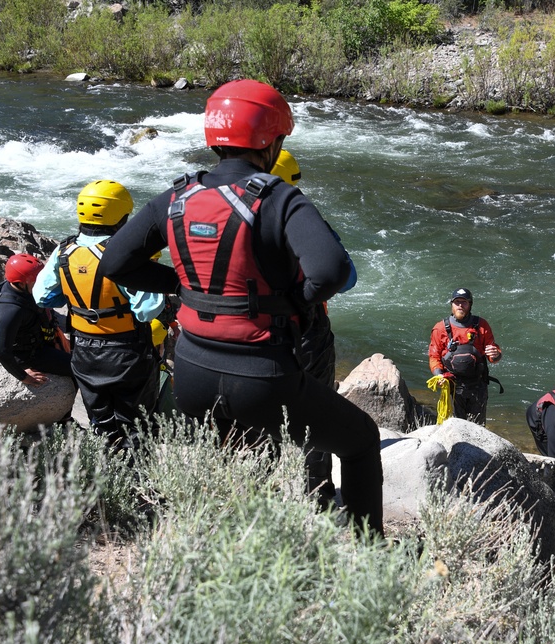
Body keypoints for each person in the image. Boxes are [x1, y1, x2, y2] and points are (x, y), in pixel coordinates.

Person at [96, 79, 383, 536]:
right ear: (270, 140)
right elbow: (329, 271)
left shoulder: (177, 196)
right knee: (362, 440)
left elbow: (114, 261)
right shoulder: (279, 197)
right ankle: (373, 561)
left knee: (233, 460)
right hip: (262, 376)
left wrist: (183, 284)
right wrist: (295, 302)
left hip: (191, 372)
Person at [34, 180, 165, 449]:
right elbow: (148, 309)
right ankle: (134, 480)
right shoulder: (127, 256)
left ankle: (108, 471)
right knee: (137, 425)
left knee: (102, 424)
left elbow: (42, 296)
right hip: (127, 352)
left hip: (83, 351)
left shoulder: (63, 252)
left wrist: (81, 302)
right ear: (123, 217)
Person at [272, 147, 358, 509]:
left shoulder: (228, 215)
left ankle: (258, 483)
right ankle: (317, 493)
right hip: (306, 331)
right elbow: (347, 278)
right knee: (315, 410)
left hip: (248, 328)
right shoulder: (306, 221)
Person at [0, 253, 72, 386]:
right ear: (21, 283)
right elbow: (1, 351)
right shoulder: (11, 311)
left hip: (40, 340)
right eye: (36, 280)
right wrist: (23, 376)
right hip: (30, 355)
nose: (41, 283)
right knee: (81, 368)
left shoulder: (21, 290)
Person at [428, 288, 502, 425]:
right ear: (452, 304)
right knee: (454, 425)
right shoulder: (440, 328)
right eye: (457, 302)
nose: (460, 305)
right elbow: (434, 356)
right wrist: (438, 374)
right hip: (452, 386)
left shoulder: (481, 326)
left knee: (477, 426)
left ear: (470, 304)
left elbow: (493, 355)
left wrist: (496, 354)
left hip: (477, 386)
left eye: (464, 302)